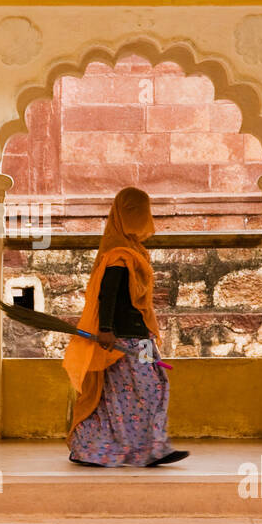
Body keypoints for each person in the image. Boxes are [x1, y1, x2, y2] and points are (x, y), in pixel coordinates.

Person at [62, 187, 189, 467]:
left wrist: (148, 336)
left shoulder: (135, 252)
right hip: (119, 340)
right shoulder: (118, 256)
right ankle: (95, 450)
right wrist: (105, 329)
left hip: (140, 339)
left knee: (153, 386)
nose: (143, 216)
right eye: (135, 210)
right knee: (122, 395)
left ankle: (151, 449)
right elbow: (106, 296)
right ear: (122, 215)